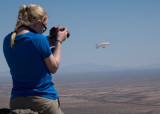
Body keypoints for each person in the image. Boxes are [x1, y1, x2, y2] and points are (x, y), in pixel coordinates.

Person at [3, 4, 67, 114]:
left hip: (16, 101)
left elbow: (27, 49)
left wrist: (47, 42)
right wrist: (58, 42)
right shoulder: (39, 40)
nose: (43, 31)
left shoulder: (7, 40)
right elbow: (53, 67)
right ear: (37, 22)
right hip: (43, 101)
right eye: (44, 27)